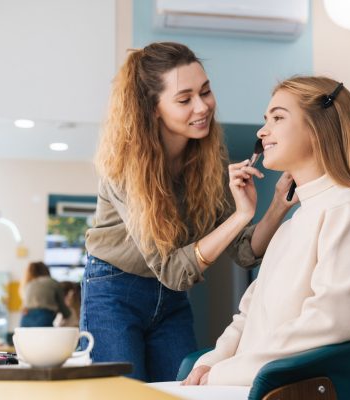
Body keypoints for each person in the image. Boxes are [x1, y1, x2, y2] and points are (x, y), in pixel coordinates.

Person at [80, 41, 296, 382]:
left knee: (184, 389)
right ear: (152, 108)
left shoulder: (209, 157)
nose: (202, 107)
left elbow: (244, 251)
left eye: (206, 91)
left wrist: (276, 205)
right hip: (114, 291)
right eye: (184, 99)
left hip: (171, 299)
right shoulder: (124, 168)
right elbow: (172, 269)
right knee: (121, 393)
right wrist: (239, 217)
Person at [183, 76, 350, 386]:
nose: (262, 131)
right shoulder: (290, 227)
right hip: (252, 384)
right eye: (265, 119)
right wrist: (209, 364)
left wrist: (225, 374)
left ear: (317, 129)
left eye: (277, 117)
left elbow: (329, 321)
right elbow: (247, 316)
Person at [20, 261, 71, 327]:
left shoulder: (29, 284)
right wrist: (69, 314)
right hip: (44, 318)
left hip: (25, 319)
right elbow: (63, 308)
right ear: (46, 270)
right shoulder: (53, 282)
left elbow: (24, 307)